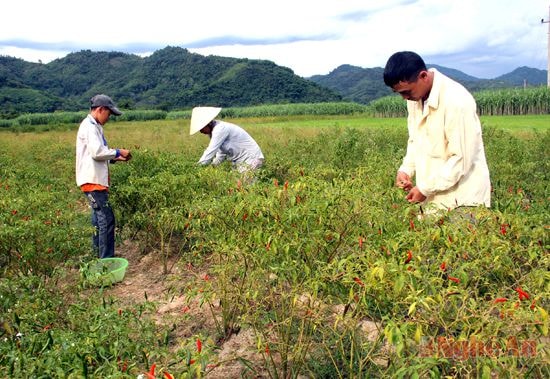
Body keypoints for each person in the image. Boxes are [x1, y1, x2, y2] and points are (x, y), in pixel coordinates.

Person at [383, 51, 490, 212]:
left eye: (407, 92)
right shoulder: (415, 99)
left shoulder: (456, 101)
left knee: (460, 237)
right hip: (433, 198)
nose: (404, 98)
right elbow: (415, 140)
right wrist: (405, 169)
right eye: (399, 93)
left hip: (463, 200)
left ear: (423, 76)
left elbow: (461, 159)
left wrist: (425, 189)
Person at [76, 94, 131, 259]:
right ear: (100, 110)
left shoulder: (94, 126)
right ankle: (106, 261)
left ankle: (97, 256)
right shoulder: (89, 127)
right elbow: (97, 152)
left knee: (98, 220)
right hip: (93, 183)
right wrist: (118, 151)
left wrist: (115, 158)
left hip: (95, 182)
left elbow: (96, 154)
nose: (109, 118)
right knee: (106, 220)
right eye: (109, 113)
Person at [190, 106, 264, 174]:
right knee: (238, 185)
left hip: (250, 158)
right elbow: (221, 153)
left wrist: (198, 166)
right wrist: (213, 165)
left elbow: (211, 150)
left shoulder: (220, 129)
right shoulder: (213, 132)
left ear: (208, 124)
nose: (201, 131)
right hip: (240, 160)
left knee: (246, 186)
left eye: (201, 128)